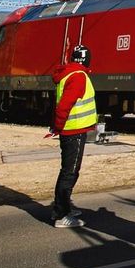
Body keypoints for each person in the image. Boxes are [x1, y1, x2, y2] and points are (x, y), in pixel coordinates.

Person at [49, 44, 97, 228]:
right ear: (86, 60)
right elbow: (64, 105)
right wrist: (59, 126)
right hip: (73, 131)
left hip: (73, 130)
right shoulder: (78, 76)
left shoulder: (70, 73)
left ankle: (65, 205)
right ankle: (61, 214)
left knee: (70, 171)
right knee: (69, 172)